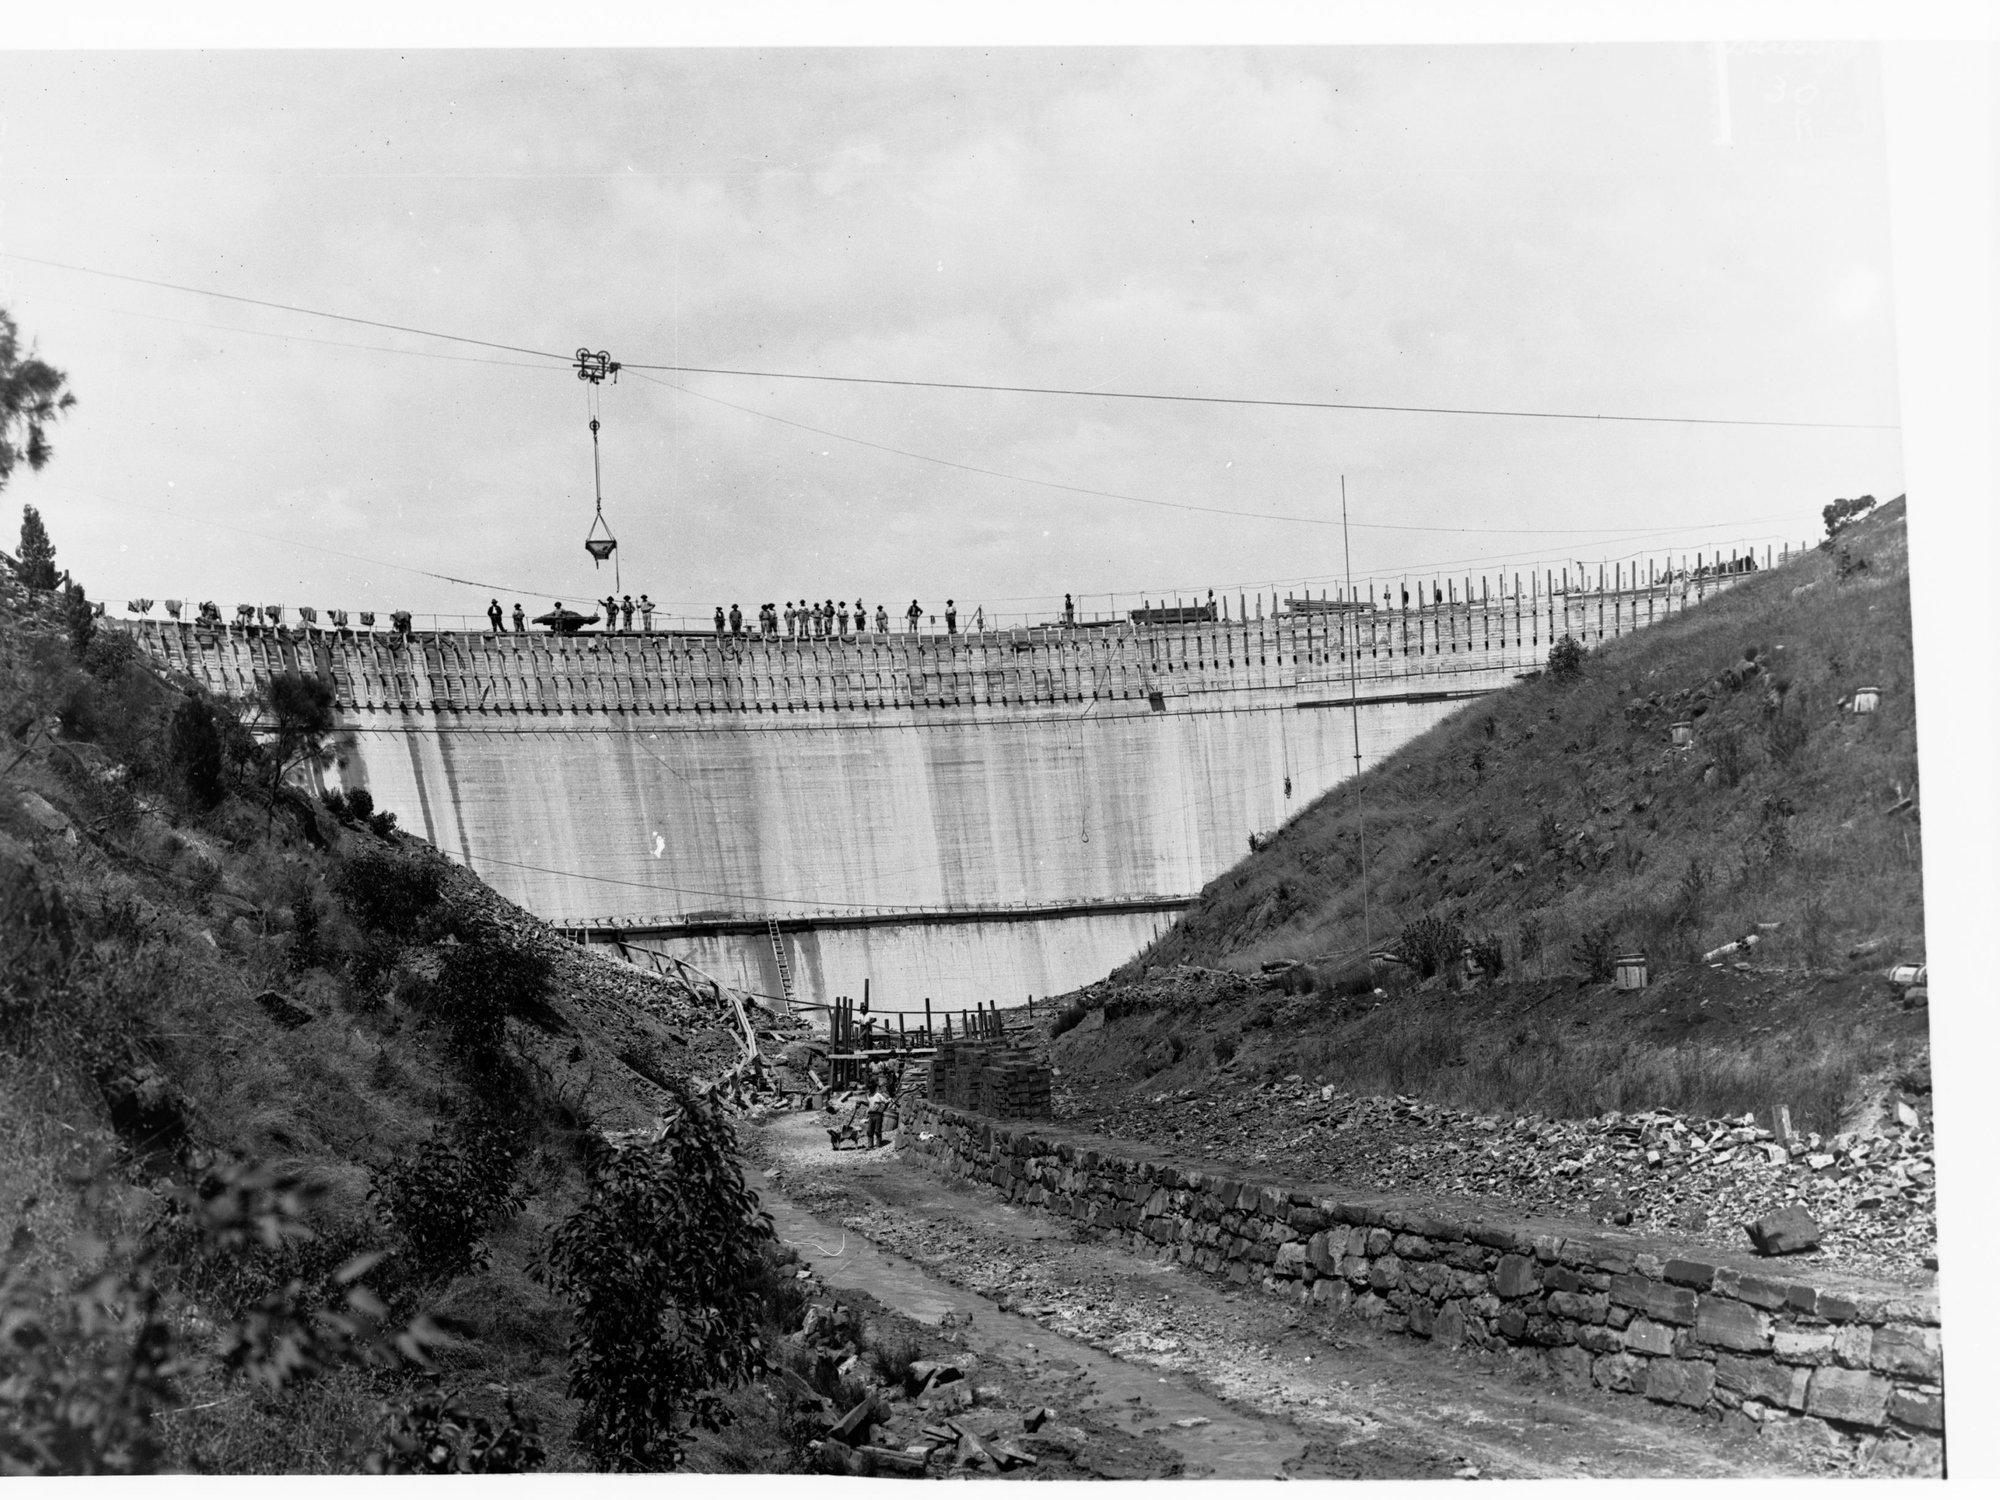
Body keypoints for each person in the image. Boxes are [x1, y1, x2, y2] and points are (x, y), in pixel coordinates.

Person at [865, 1079, 890, 1149]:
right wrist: (862, 1102)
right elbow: (869, 1104)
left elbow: (887, 1102)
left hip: (878, 1114)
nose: (870, 1090)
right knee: (870, 1130)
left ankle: (879, 1144)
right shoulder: (868, 1095)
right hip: (871, 1114)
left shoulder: (878, 1095)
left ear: (874, 1088)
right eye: (869, 1088)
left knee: (877, 1130)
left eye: (872, 1088)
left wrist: (883, 1109)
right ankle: (870, 1145)